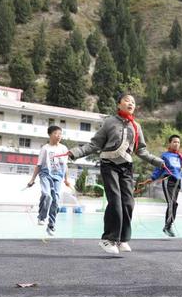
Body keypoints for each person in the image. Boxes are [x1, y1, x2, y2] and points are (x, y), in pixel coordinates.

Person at [68, 94, 164, 255]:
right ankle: (107, 239)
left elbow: (141, 150)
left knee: (128, 203)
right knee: (116, 202)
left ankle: (122, 239)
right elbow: (95, 144)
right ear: (119, 104)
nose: (131, 103)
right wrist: (75, 152)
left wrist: (159, 162)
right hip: (109, 165)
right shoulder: (109, 122)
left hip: (126, 167)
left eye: (133, 101)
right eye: (127, 100)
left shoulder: (136, 127)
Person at [145, 134, 182, 237]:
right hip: (168, 181)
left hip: (177, 183)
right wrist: (152, 178)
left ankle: (168, 225)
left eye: (178, 142)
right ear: (170, 143)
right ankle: (168, 226)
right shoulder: (165, 156)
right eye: (174, 142)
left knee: (174, 204)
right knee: (172, 203)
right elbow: (158, 169)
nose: (176, 144)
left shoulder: (180, 157)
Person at [28, 125, 71, 237]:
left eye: (60, 134)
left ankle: (51, 225)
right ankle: (41, 217)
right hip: (46, 174)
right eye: (56, 133)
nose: (59, 136)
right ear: (50, 135)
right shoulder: (45, 148)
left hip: (58, 176)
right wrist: (32, 179)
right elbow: (39, 165)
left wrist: (66, 179)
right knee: (47, 195)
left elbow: (65, 165)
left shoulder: (64, 148)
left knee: (55, 200)